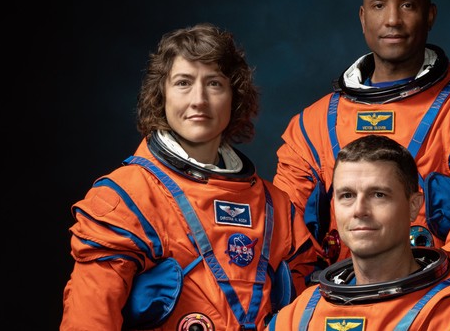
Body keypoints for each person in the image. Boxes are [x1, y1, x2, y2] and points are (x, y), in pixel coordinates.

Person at [273, 0, 450, 288]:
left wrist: (436, 285)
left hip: (431, 304)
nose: (393, 20)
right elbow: (284, 224)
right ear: (363, 17)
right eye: (379, 6)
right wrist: (308, 299)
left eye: (407, 5)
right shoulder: (313, 125)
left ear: (430, 15)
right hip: (336, 305)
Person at [60, 23, 323, 331]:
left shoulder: (275, 208)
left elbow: (307, 316)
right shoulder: (126, 198)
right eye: (183, 83)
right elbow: (89, 320)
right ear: (162, 96)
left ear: (234, 98)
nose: (198, 100)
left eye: (214, 84)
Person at [269, 134, 450, 330]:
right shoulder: (299, 317)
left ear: (414, 206)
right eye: (347, 196)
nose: (359, 210)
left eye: (378, 195)